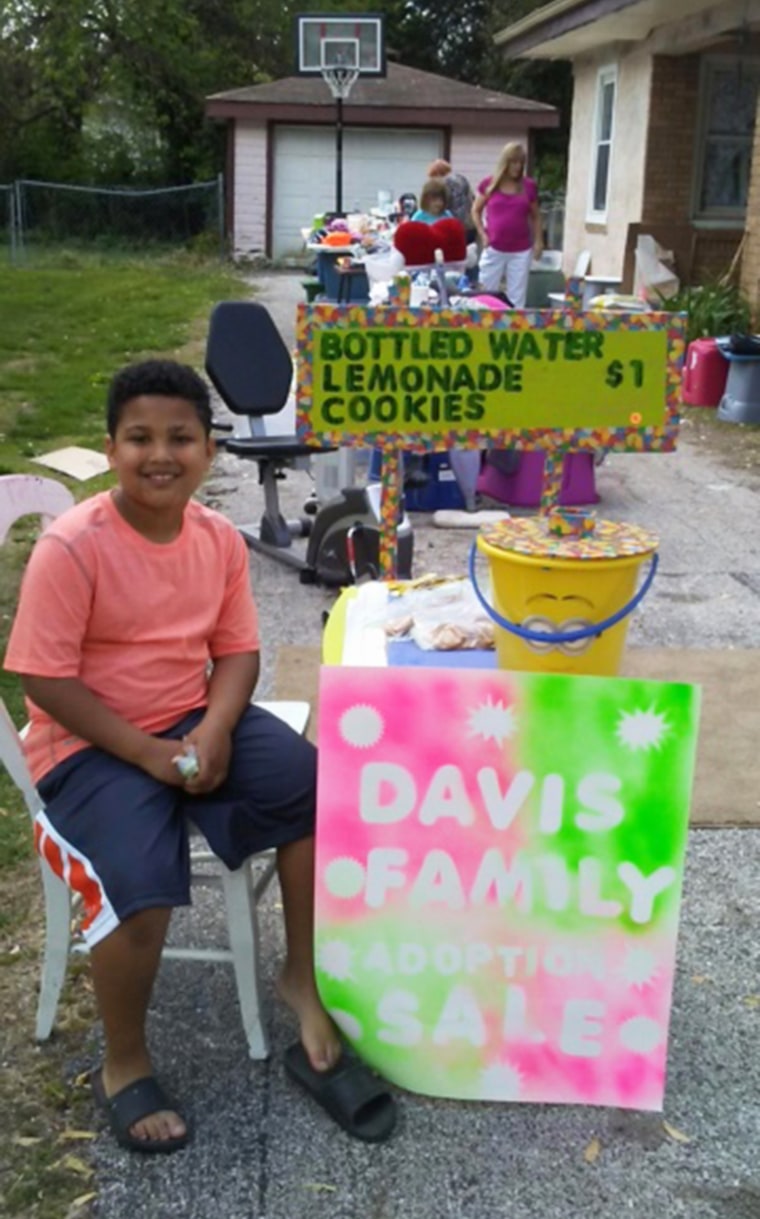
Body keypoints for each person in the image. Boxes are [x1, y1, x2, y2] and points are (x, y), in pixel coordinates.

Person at [3, 359, 397, 1153]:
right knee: (139, 887)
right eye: (140, 437)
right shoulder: (73, 548)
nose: (161, 454)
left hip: (191, 719)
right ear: (110, 449)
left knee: (313, 788)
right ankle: (124, 1061)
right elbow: (45, 677)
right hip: (90, 744)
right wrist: (149, 753)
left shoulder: (215, 538)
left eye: (180, 437)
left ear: (209, 451)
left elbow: (237, 654)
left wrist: (214, 730)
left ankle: (302, 978)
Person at [471, 141, 544, 308]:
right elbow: (475, 210)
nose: (517, 167)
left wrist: (539, 241)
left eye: (521, 162)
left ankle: (514, 328)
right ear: (505, 162)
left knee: (517, 298)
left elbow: (536, 216)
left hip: (521, 250)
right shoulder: (489, 184)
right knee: (485, 293)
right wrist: (482, 234)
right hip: (494, 247)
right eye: (513, 162)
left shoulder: (528, 186)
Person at [427, 158, 475, 242]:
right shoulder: (462, 179)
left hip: (453, 229)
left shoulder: (442, 184)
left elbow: (439, 207)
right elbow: (473, 199)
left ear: (436, 173)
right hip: (470, 226)